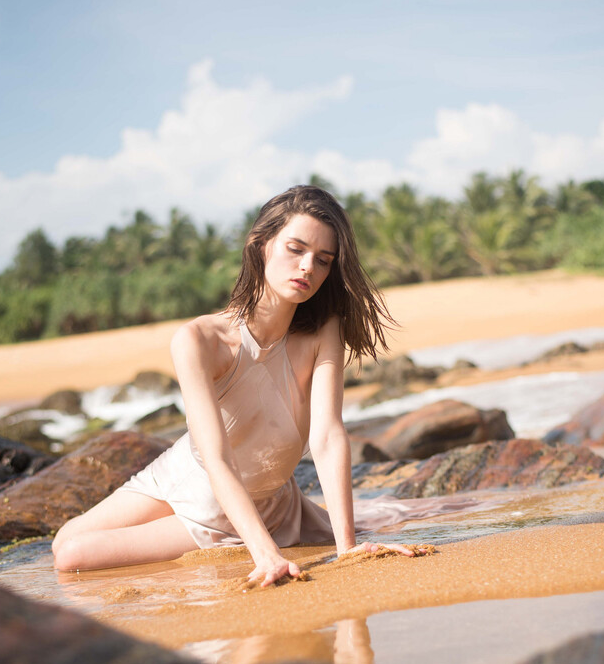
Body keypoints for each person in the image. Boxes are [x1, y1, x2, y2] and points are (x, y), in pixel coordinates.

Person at [52, 184, 422, 585]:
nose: (307, 268)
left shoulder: (322, 331)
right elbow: (216, 457)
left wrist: (345, 547)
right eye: (295, 249)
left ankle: (233, 536)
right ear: (261, 244)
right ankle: (245, 536)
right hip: (185, 473)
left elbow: (328, 435)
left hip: (239, 507)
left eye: (323, 260)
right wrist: (265, 554)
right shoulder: (199, 340)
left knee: (72, 555)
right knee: (64, 540)